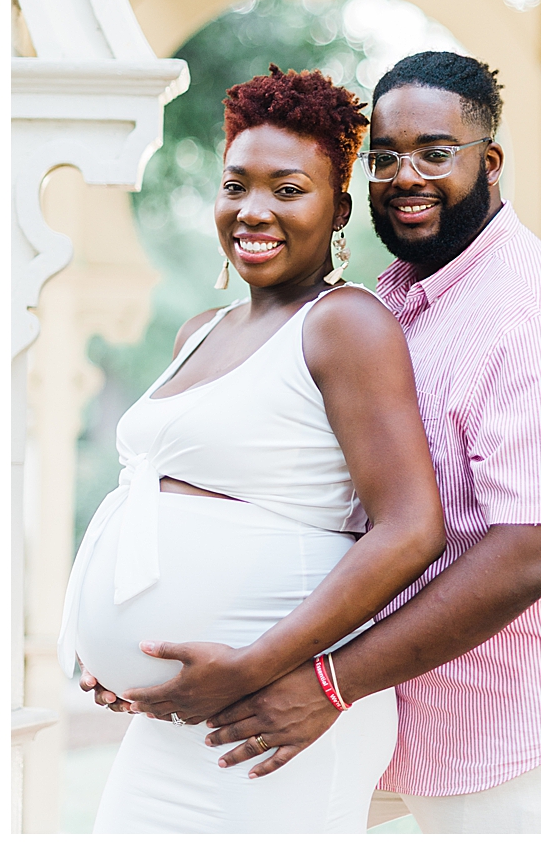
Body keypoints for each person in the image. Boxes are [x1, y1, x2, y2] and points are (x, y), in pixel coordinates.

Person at [193, 51, 541, 833]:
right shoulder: (397, 303)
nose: (405, 176)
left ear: (490, 162)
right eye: (384, 157)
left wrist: (329, 683)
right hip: (400, 714)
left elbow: (534, 552)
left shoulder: (537, 315)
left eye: (435, 153)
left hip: (521, 731)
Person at [63, 66, 447, 832]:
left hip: (271, 717)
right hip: (174, 719)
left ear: (338, 209)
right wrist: (113, 653)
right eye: (236, 186)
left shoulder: (345, 324)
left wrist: (255, 665)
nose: (254, 210)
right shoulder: (199, 330)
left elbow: (412, 528)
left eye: (287, 189)